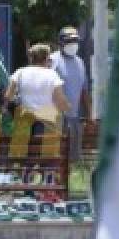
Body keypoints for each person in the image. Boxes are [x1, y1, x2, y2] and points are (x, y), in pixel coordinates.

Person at [5, 43, 70, 138]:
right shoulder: (52, 74)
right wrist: (67, 111)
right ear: (47, 58)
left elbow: (8, 96)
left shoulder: (20, 72)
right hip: (46, 120)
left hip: (24, 120)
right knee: (43, 149)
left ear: (32, 58)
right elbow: (60, 100)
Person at [50, 26, 90, 163]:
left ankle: (72, 180)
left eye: (75, 41)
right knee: (57, 156)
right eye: (69, 41)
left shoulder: (80, 62)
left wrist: (89, 115)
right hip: (56, 117)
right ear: (61, 43)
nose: (73, 44)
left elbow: (84, 90)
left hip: (74, 116)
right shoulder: (53, 60)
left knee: (74, 158)